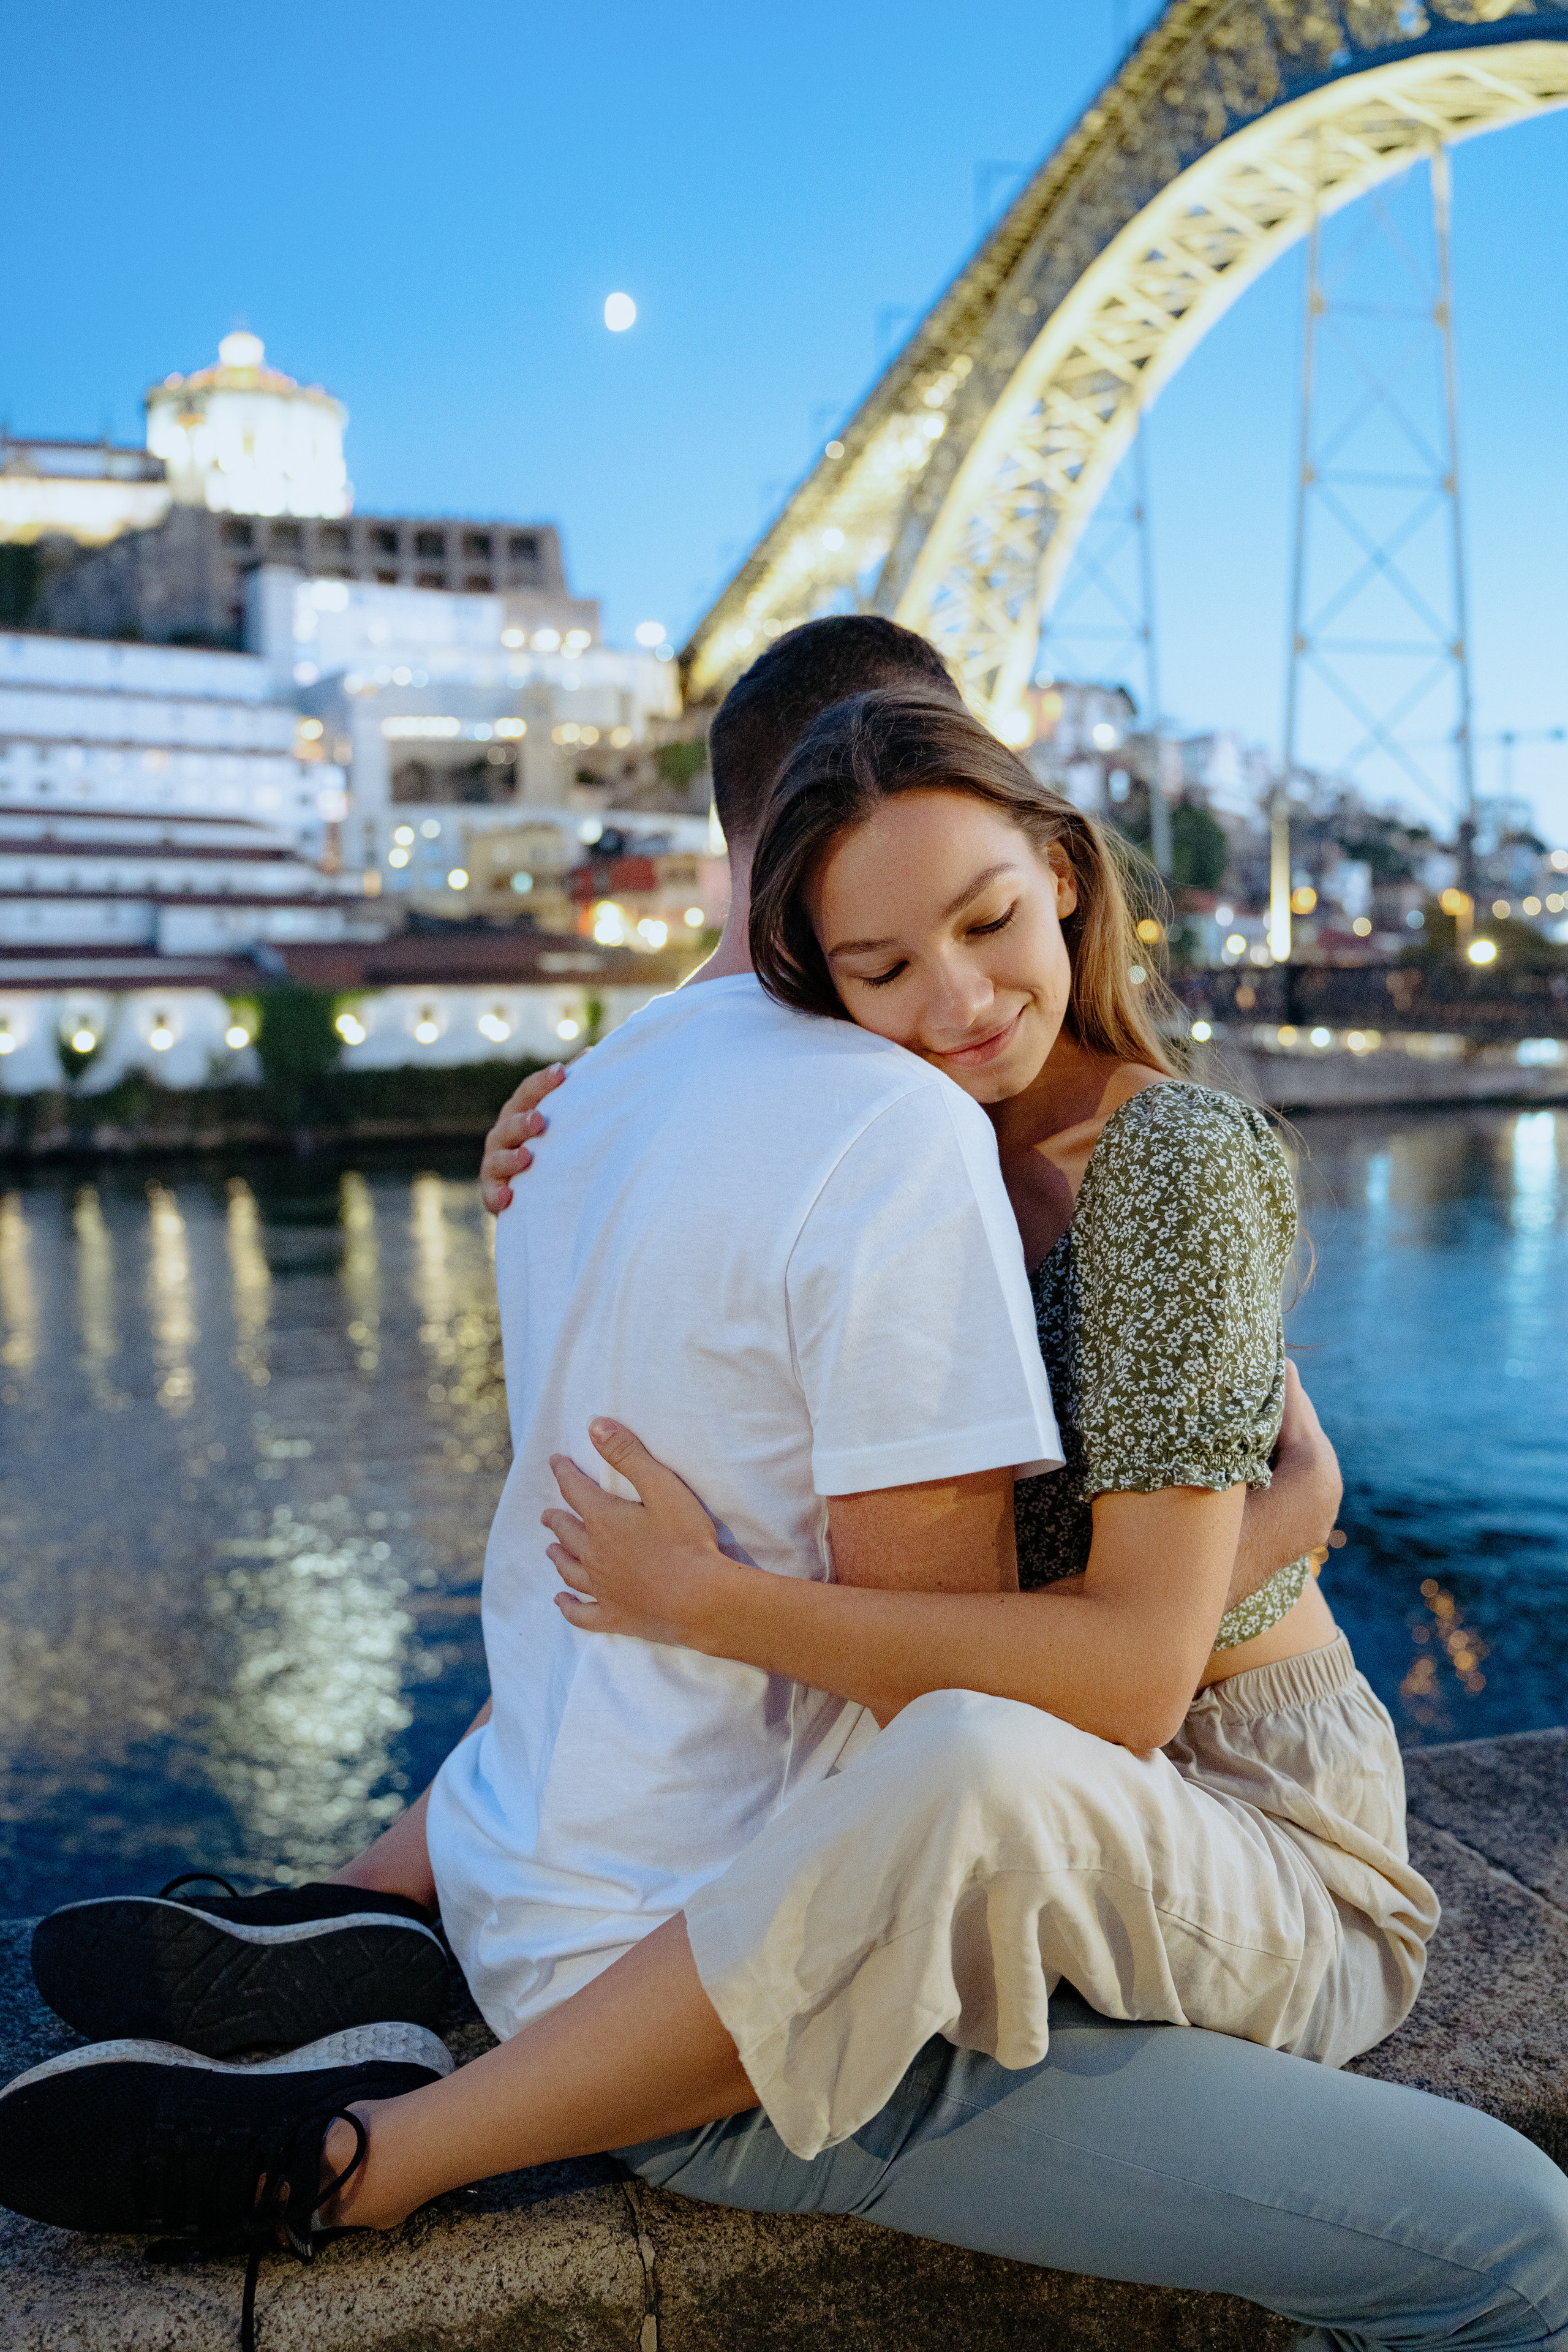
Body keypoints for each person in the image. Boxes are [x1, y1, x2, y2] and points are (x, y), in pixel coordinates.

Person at [9, 624, 1566, 2352]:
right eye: (882, 966)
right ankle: (380, 1914)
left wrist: (710, 1600)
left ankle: (380, 2150)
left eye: (989, 924)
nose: (957, 1001)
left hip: (1261, 1826)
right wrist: (553, 1128)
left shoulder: (1165, 1167)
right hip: (1092, 1815)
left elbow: (1133, 1676)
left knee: (961, 1752)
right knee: (899, 1735)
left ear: (1065, 875)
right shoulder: (897, 1141)